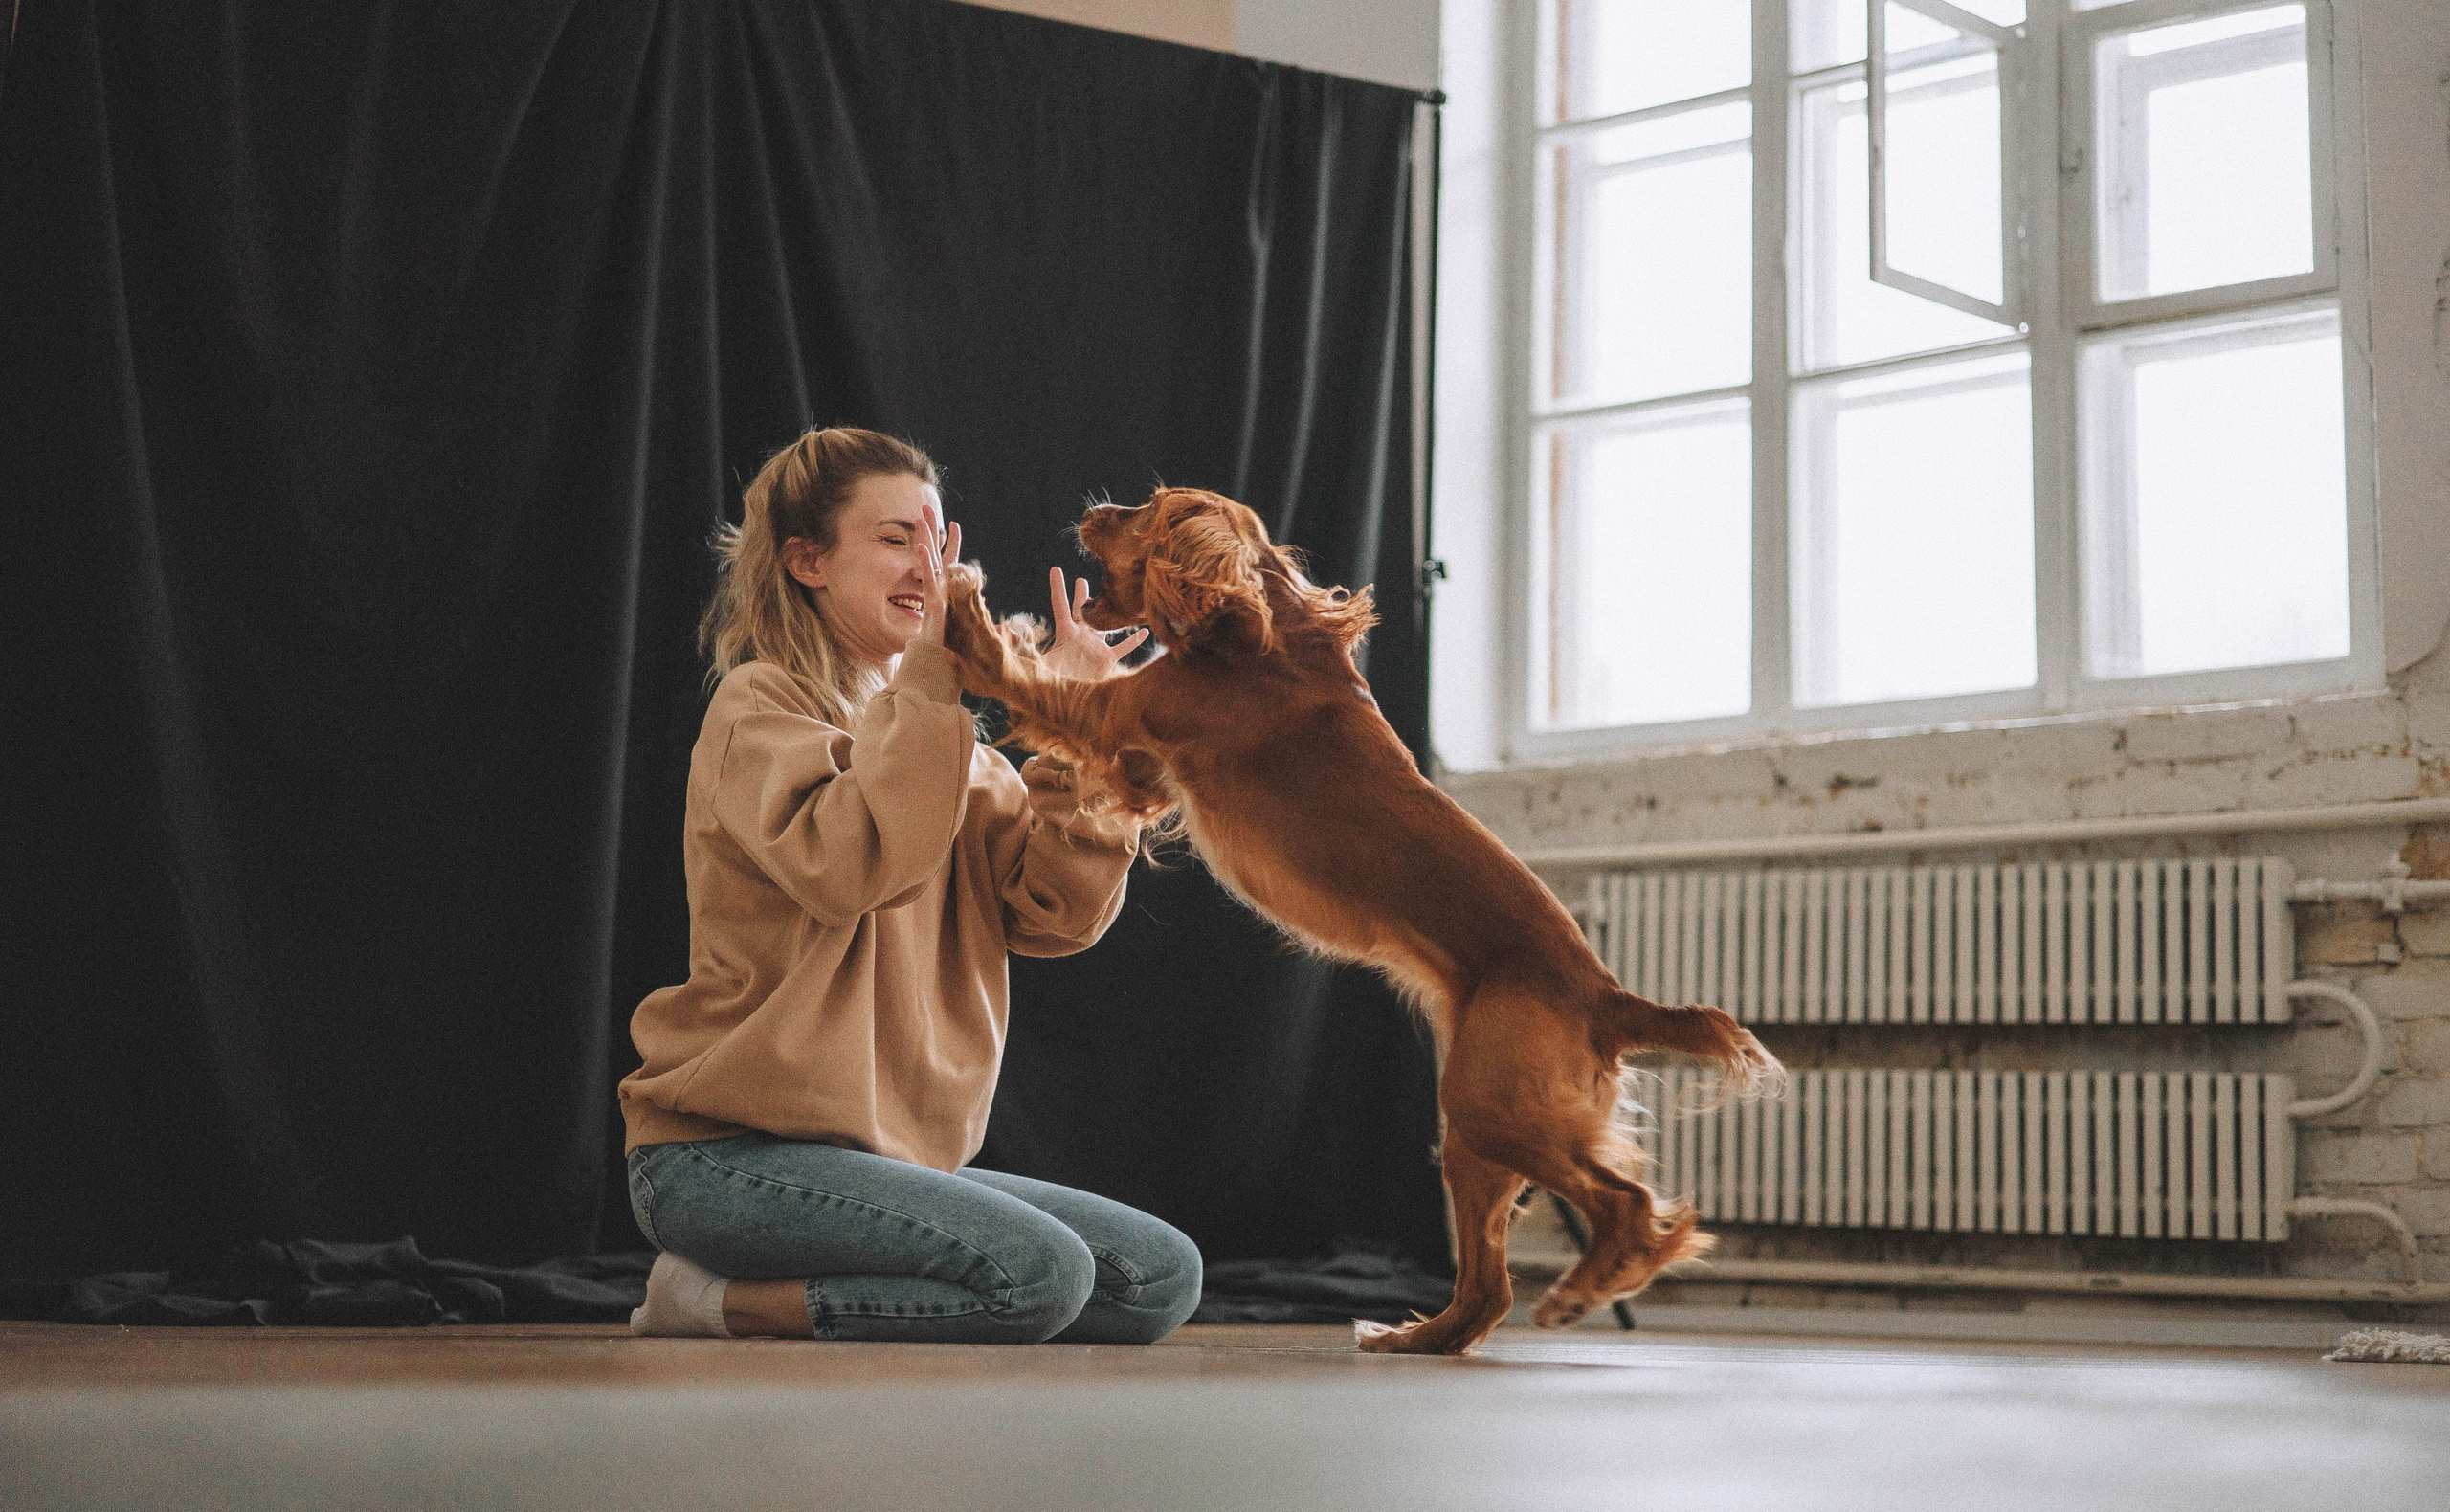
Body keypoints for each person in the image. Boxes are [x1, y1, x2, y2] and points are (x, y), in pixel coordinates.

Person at [618, 427, 1200, 1343]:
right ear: (807, 560)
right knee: (1042, 1278)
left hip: (892, 1163)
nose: (928, 564)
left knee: (1159, 1278)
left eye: (936, 538)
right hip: (722, 1159)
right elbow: (854, 868)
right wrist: (934, 679)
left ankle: (761, 1293)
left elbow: (1055, 919)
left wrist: (1085, 732)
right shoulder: (760, 708)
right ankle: (707, 1302)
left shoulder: (949, 744)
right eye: (895, 537)